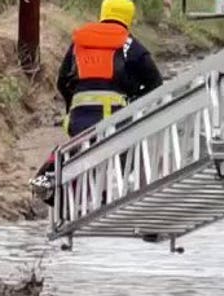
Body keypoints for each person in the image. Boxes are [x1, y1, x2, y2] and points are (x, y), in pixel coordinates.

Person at [30, 0, 163, 202]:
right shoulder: (130, 45)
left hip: (78, 119)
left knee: (78, 151)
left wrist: (72, 106)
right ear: (129, 18)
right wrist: (135, 102)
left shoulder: (80, 42)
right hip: (115, 121)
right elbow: (155, 83)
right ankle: (103, 196)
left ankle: (58, 184)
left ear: (103, 13)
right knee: (124, 157)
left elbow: (62, 81)